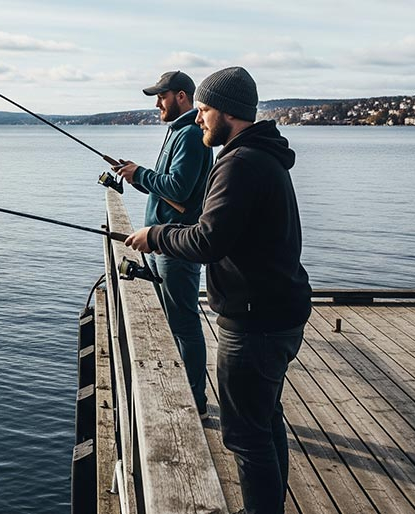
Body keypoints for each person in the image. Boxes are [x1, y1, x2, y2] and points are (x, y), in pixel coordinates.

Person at [124, 66, 312, 514]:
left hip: (254, 322)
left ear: (227, 112)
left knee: (245, 436)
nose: (199, 119)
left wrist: (157, 235)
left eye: (204, 110)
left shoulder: (241, 163)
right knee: (265, 421)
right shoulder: (262, 157)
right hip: (277, 312)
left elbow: (207, 240)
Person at [113, 70, 212, 418]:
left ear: (181, 96)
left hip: (175, 245)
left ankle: (196, 403)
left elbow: (179, 191)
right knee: (174, 323)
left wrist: (140, 173)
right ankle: (187, 394)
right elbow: (167, 188)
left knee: (184, 325)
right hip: (160, 243)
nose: (157, 103)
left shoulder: (187, 135)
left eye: (162, 96)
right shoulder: (179, 132)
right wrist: (133, 174)